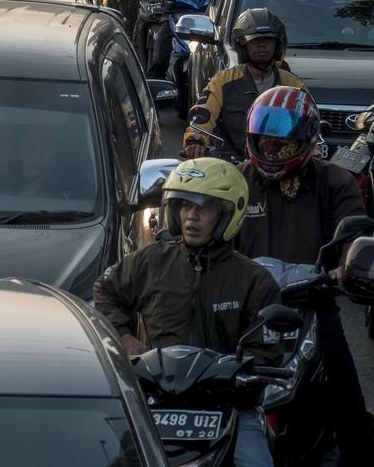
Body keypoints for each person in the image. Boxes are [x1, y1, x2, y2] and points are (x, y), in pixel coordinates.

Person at [93, 157, 281, 467]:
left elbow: (267, 348)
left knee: (256, 463)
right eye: (184, 206)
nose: (191, 217)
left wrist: (242, 372)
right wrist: (124, 337)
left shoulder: (254, 280)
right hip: (155, 398)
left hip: (227, 405)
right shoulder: (152, 260)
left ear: (226, 215)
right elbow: (105, 290)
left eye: (204, 208)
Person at [235, 86, 374, 467]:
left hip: (312, 310)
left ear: (304, 140)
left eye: (281, 140)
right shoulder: (235, 181)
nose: (271, 146)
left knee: (350, 408)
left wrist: (343, 268)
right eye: (264, 138)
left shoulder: (334, 183)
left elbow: (356, 239)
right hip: (242, 313)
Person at [184, 9, 305, 162]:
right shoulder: (222, 81)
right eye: (254, 41)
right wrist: (196, 140)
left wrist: (315, 149)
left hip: (280, 165)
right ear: (242, 46)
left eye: (267, 40)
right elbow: (202, 116)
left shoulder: (293, 85)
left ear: (278, 45)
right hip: (232, 167)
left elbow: (309, 125)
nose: (261, 45)